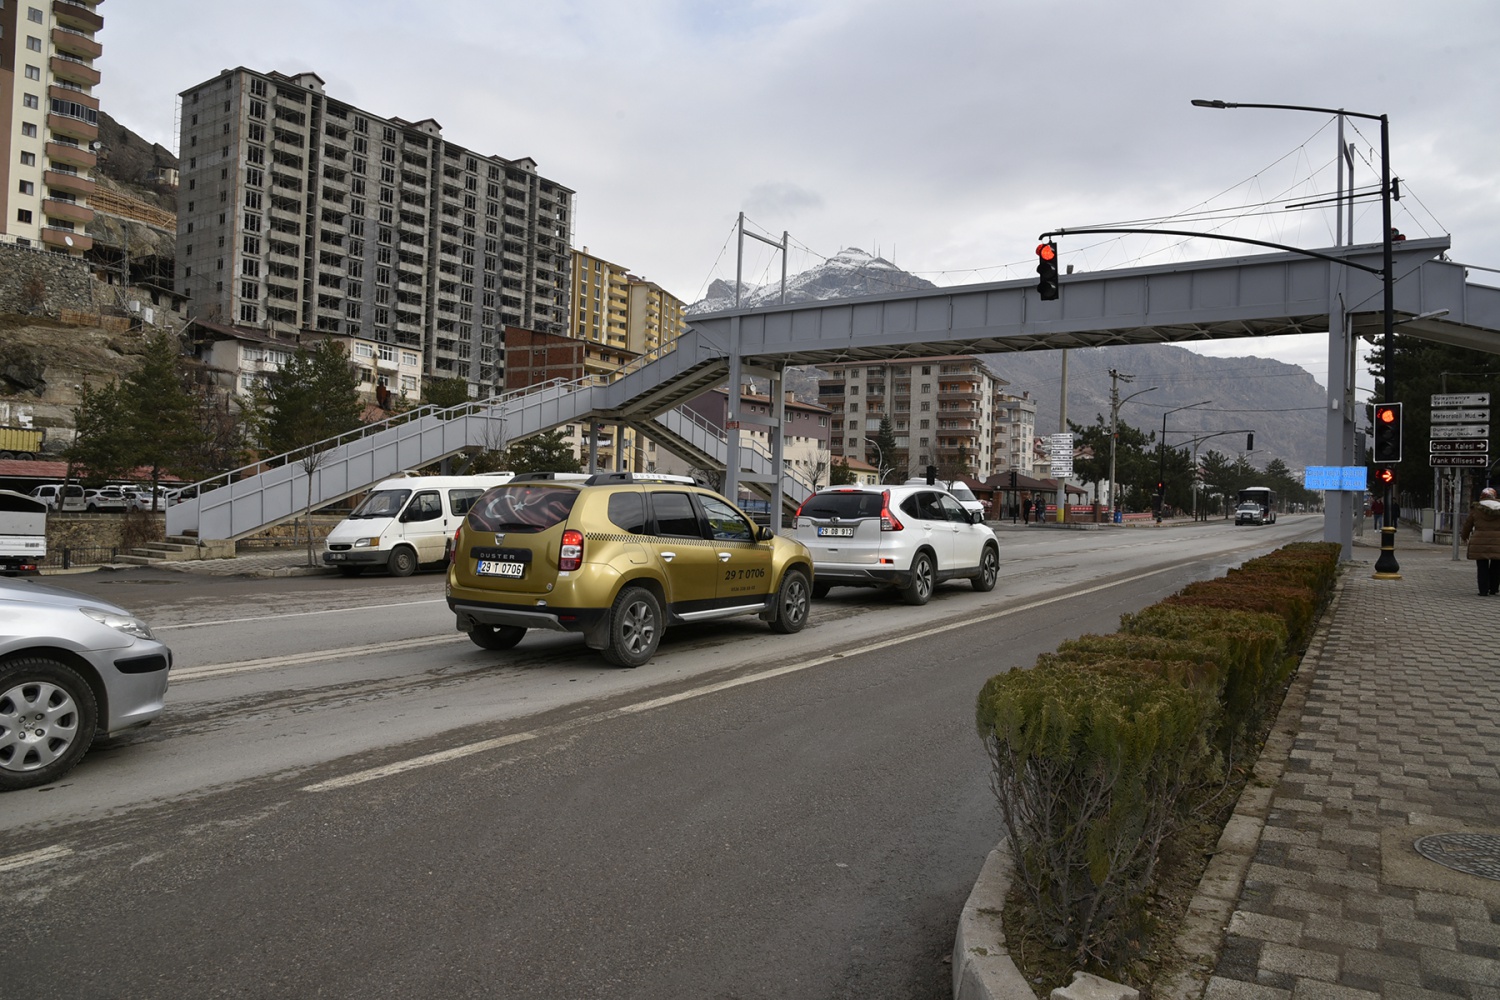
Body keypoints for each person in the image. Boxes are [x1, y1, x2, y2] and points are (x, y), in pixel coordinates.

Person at [1460, 487, 1500, 597]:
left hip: (1479, 541)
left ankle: (1483, 590)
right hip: (1498, 542)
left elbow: (1468, 525)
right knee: (1496, 565)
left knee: (1482, 566)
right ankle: (1494, 588)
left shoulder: (1476, 509)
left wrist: (1464, 536)